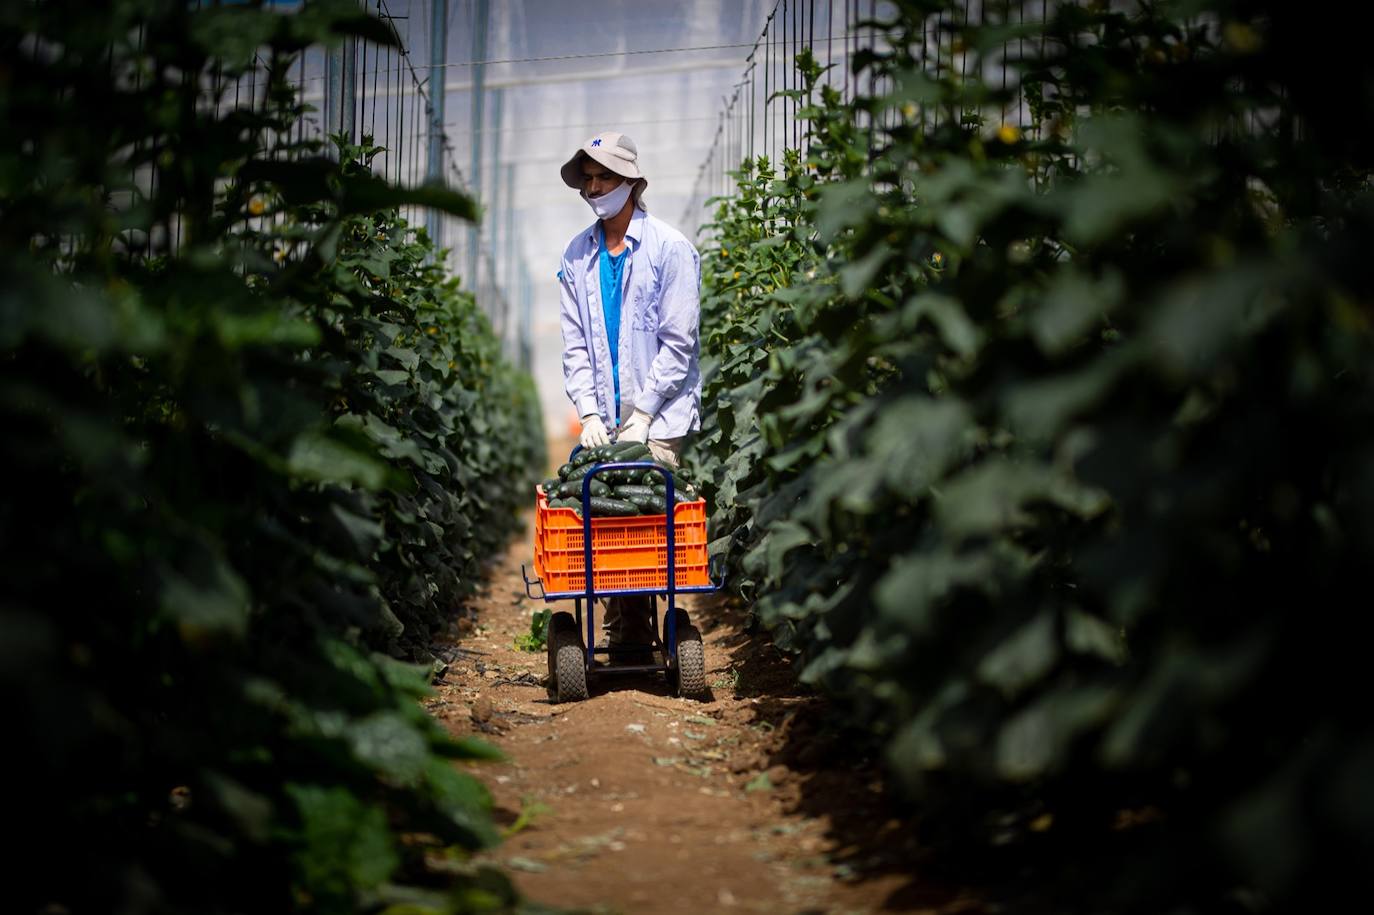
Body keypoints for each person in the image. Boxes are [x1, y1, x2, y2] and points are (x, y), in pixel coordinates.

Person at [556, 130, 702, 656]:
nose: (595, 188)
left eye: (606, 177)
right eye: (589, 179)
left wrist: (643, 413)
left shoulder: (669, 248)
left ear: (632, 183)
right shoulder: (577, 255)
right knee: (605, 511)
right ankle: (628, 625)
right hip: (606, 411)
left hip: (659, 413)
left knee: (641, 514)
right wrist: (589, 412)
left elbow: (679, 342)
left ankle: (633, 626)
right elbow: (575, 344)